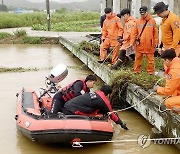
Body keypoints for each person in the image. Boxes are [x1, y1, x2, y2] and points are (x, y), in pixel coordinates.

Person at [64, 85, 129, 130]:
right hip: (72, 111)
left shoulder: (95, 93)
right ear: (108, 94)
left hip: (67, 106)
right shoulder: (104, 100)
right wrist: (121, 123)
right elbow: (112, 115)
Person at [130, 6, 159, 75]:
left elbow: (155, 32)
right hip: (140, 44)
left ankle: (151, 72)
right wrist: (132, 42)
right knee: (138, 59)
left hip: (150, 44)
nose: (142, 15)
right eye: (141, 14)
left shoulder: (152, 21)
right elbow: (134, 33)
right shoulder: (137, 22)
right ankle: (136, 71)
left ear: (147, 12)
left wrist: (156, 42)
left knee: (150, 60)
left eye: (143, 13)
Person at [153, 49, 180, 113]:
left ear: (167, 60)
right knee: (174, 94)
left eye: (164, 61)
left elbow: (169, 90)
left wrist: (158, 89)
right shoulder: (177, 63)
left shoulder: (174, 71)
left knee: (168, 102)